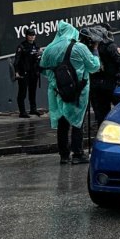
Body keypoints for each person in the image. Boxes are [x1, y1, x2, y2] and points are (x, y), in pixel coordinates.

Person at [39, 21, 101, 164]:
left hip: (57, 92)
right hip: (78, 92)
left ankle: (64, 155)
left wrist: (57, 80)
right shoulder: (79, 47)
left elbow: (42, 68)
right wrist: (95, 50)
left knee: (62, 124)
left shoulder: (49, 49)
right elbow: (94, 67)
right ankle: (78, 154)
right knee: (77, 123)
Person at [89, 26, 120, 128]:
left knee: (102, 116)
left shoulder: (91, 47)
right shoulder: (111, 46)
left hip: (98, 85)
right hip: (112, 85)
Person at [14, 28, 44, 118]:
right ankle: (22, 111)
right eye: (30, 35)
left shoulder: (36, 46)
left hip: (33, 72)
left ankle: (33, 109)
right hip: (24, 72)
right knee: (22, 93)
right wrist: (16, 72)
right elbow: (17, 61)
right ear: (26, 36)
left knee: (32, 92)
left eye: (33, 35)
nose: (32, 37)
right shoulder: (22, 46)